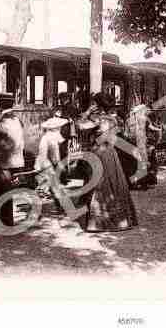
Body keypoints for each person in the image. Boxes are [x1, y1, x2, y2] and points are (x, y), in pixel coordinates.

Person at [77, 93, 138, 232]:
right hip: (111, 153)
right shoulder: (114, 119)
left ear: (97, 105)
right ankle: (121, 220)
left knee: (99, 184)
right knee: (115, 184)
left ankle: (99, 222)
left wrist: (86, 113)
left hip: (99, 153)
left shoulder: (97, 119)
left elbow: (80, 126)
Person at [0, 92, 25, 227]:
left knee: (3, 192)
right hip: (17, 160)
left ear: (1, 104)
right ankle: (8, 219)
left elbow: (1, 145)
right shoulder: (17, 119)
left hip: (5, 162)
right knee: (8, 191)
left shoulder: (4, 121)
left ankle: (6, 221)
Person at [35, 117, 70, 213]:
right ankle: (61, 207)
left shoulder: (47, 136)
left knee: (50, 187)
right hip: (46, 164)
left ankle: (60, 206)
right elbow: (54, 156)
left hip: (44, 164)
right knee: (52, 187)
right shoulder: (52, 138)